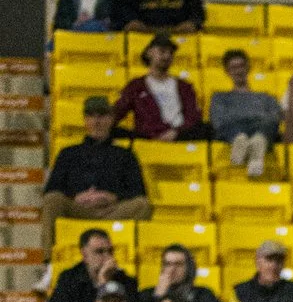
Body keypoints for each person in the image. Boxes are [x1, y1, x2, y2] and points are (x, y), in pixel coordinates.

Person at [38, 95, 150, 233]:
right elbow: (52, 188)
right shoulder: (68, 153)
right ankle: (49, 255)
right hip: (78, 210)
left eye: (102, 116)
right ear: (85, 120)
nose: (96, 121)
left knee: (142, 205)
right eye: (91, 116)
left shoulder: (125, 155)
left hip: (111, 212)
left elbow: (138, 191)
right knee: (52, 200)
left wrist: (112, 197)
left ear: (110, 119)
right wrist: (76, 197)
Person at [113, 34, 206, 141]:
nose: (167, 56)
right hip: (148, 137)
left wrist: (176, 132)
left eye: (170, 53)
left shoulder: (185, 86)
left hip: (180, 136)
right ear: (149, 53)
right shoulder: (136, 86)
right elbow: (118, 111)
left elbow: (193, 116)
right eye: (162, 51)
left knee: (205, 128)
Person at [209, 46, 282, 177]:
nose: (238, 71)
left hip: (260, 127)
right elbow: (218, 121)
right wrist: (253, 118)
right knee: (229, 125)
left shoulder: (265, 97)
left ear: (248, 68)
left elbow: (276, 117)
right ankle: (244, 141)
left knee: (269, 123)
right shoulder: (219, 97)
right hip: (234, 128)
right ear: (227, 71)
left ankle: (256, 143)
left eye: (241, 66)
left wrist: (245, 120)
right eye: (233, 68)